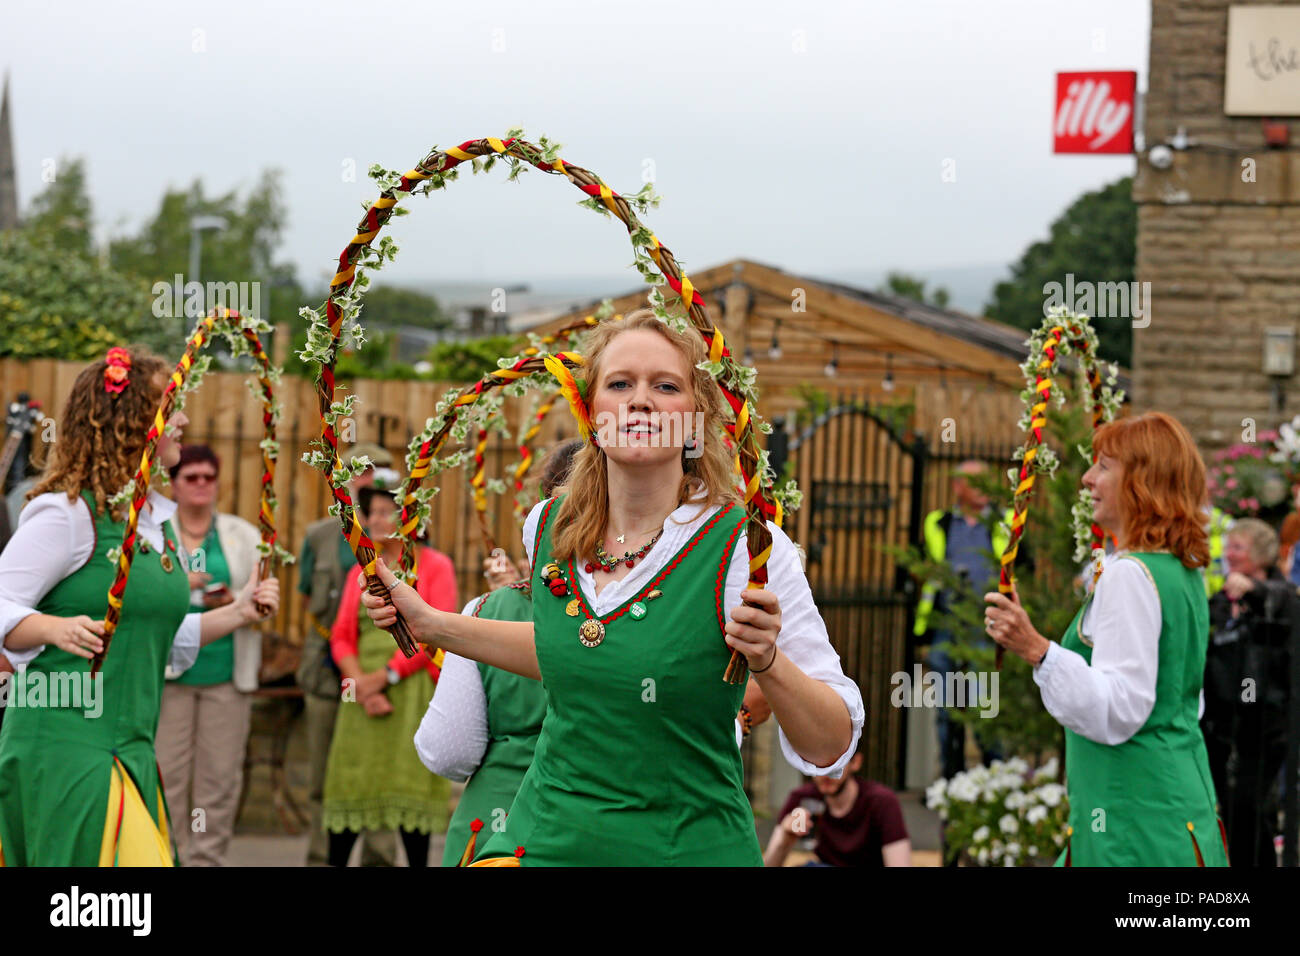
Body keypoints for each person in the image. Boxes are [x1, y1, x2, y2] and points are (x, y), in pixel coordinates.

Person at [364, 309, 864, 866]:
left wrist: (767, 660)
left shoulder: (748, 548)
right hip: (543, 842)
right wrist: (432, 624)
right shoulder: (548, 525)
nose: (640, 400)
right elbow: (574, 648)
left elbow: (830, 743)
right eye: (620, 384)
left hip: (685, 850)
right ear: (591, 411)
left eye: (666, 386)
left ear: (697, 419)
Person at [0, 346, 279, 866]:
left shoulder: (152, 521)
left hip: (131, 751)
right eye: (171, 405)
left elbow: (159, 639)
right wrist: (51, 629)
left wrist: (241, 611)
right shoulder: (66, 515)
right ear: (131, 422)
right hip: (63, 749)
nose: (185, 418)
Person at [984, 411, 1227, 866]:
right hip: (1171, 804)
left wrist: (1037, 650)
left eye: (1104, 467)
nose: (1087, 479)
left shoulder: (1131, 575)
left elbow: (1119, 709)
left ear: (1142, 482)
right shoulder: (1181, 571)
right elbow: (1175, 701)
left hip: (1135, 817)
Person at [420, 439, 582, 866]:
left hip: (497, 830)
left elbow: (447, 751)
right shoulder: (653, 608)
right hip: (601, 828)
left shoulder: (487, 611)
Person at [322, 486, 457, 866]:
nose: (377, 519)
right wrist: (362, 688)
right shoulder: (360, 572)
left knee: (408, 791)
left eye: (388, 511)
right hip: (360, 698)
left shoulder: (436, 566)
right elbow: (341, 638)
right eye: (371, 512)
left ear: (408, 519)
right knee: (350, 785)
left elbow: (438, 631)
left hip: (412, 693)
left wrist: (386, 677)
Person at [154, 444, 264, 866]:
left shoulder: (242, 534)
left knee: (218, 779)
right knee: (168, 776)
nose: (201, 484)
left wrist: (234, 602)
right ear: (175, 484)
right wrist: (183, 585)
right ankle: (166, 858)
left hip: (226, 676)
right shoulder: (154, 531)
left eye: (209, 477)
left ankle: (206, 860)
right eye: (191, 477)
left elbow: (262, 604)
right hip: (167, 678)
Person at [295, 441, 399, 866]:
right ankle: (322, 858)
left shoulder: (396, 536)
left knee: (376, 772)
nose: (366, 481)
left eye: (376, 473)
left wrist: (377, 680)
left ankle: (379, 858)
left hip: (375, 670)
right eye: (358, 471)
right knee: (324, 775)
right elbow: (306, 598)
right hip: (326, 666)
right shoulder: (319, 535)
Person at [1202, 517, 1295, 866]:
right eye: (1229, 547)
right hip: (1225, 717)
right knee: (1229, 804)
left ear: (1260, 554)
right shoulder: (1222, 599)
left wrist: (1252, 591)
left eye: (1238, 547)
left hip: (1263, 716)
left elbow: (1283, 604)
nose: (1229, 554)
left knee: (1252, 805)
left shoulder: (1277, 593)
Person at [914, 461, 1008, 779]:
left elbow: (1024, 567)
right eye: (974, 481)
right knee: (947, 709)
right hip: (946, 627)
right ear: (958, 487)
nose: (982, 488)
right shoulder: (938, 522)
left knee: (985, 705)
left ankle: (996, 777)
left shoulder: (1004, 521)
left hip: (987, 629)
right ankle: (951, 781)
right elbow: (925, 566)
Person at [764, 746, 910, 867]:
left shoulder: (881, 801)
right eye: (817, 763)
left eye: (835, 762)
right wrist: (784, 838)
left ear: (856, 762)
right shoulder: (803, 798)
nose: (825, 773)